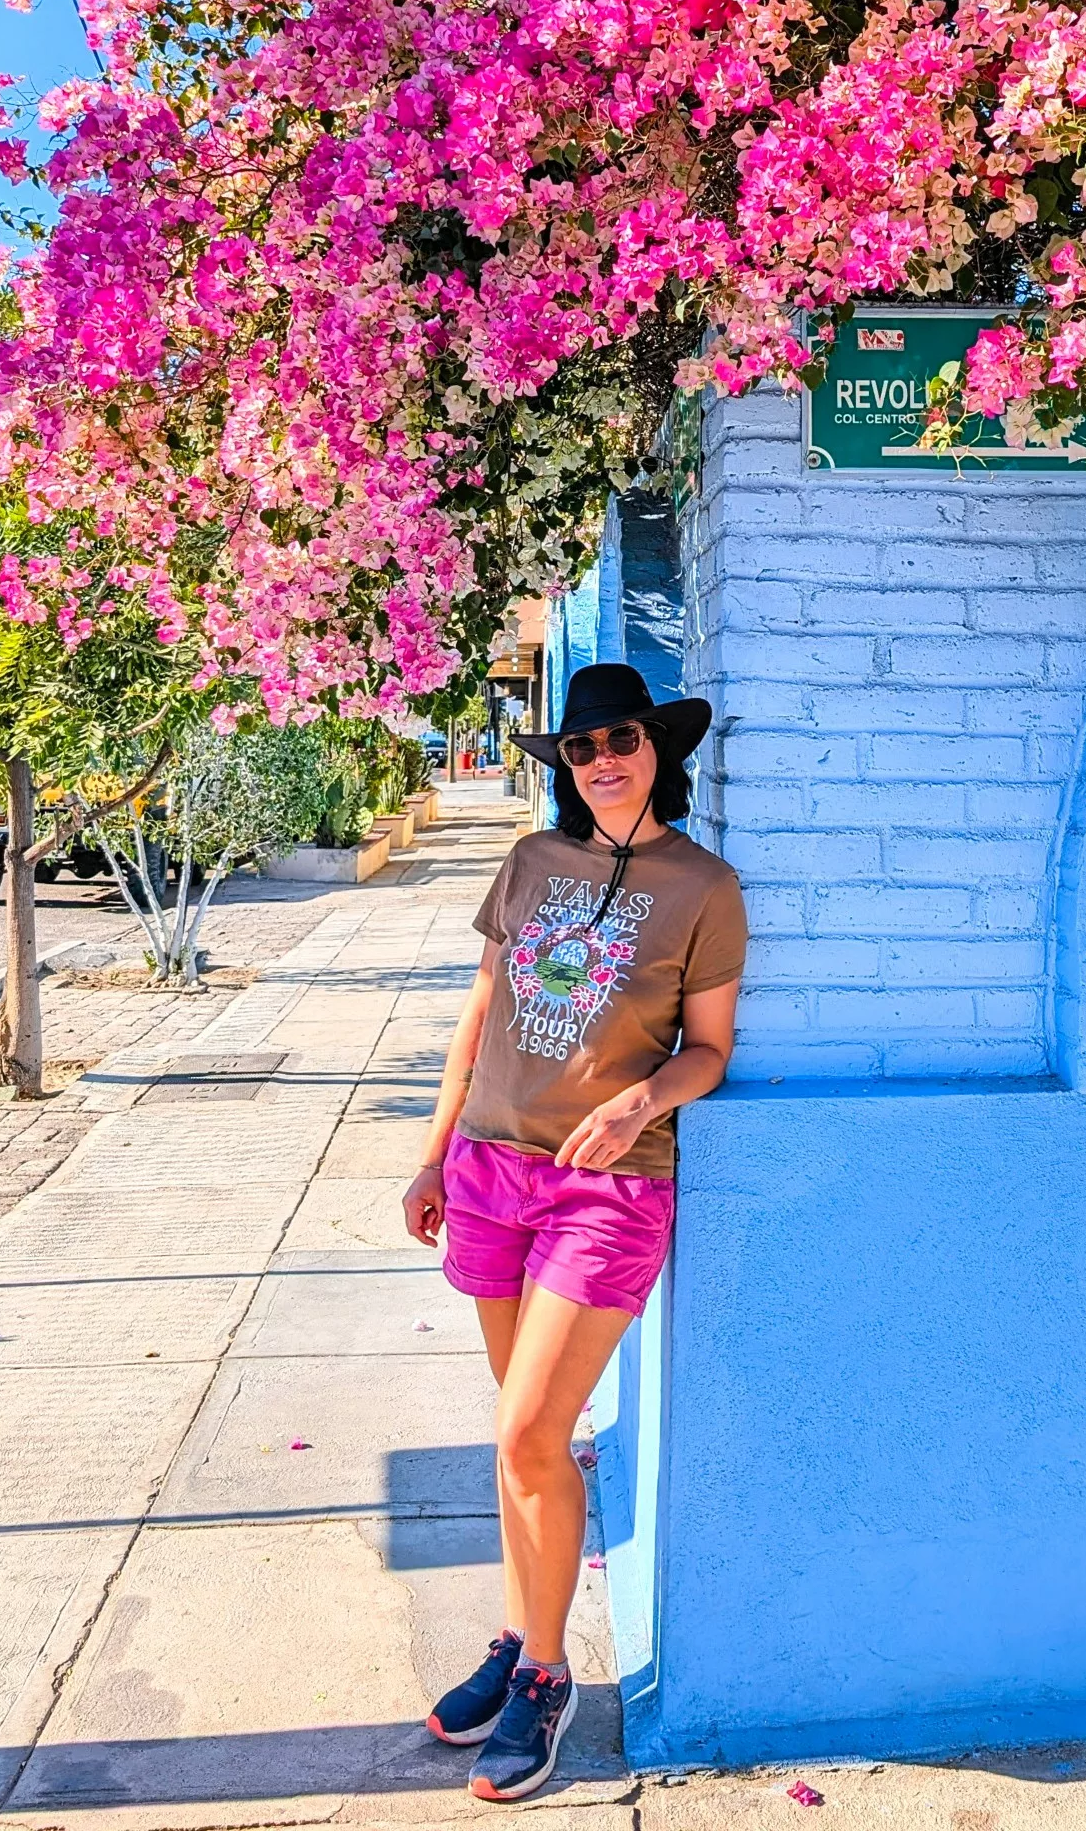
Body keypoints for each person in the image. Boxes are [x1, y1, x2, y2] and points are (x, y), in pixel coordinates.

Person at [403, 662, 745, 1802]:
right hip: (487, 1170)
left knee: (531, 1431)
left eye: (621, 740)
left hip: (605, 1190)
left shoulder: (704, 888)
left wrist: (639, 1102)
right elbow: (480, 1013)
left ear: (657, 748)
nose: (602, 760)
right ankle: (521, 1633)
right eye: (582, 747)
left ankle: (547, 1677)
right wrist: (432, 1152)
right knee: (519, 1439)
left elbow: (708, 1050)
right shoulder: (529, 862)